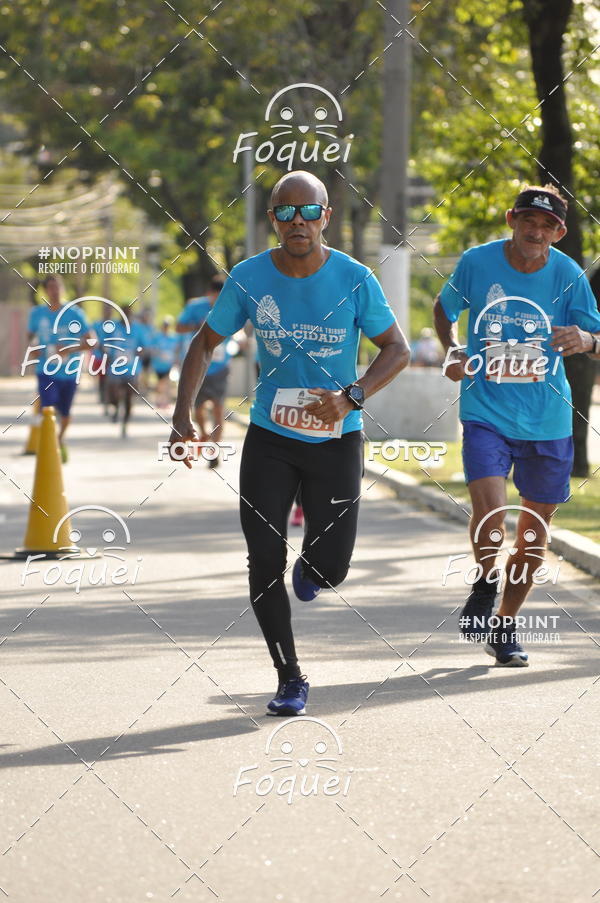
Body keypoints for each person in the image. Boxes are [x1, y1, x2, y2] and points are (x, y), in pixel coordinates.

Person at [168, 170, 409, 716]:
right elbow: (204, 344)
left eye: (307, 212)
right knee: (262, 561)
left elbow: (396, 349)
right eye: (284, 212)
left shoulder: (353, 277)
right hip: (271, 438)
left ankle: (315, 570)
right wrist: (183, 415)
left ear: (325, 216)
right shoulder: (249, 277)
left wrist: (353, 395)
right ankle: (289, 676)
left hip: (336, 439)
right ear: (271, 220)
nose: (296, 222)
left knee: (332, 568)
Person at [433, 183, 600, 667]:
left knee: (533, 534)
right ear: (512, 219)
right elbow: (444, 309)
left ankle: (504, 624)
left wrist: (586, 340)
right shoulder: (477, 262)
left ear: (560, 232)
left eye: (548, 225)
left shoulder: (569, 275)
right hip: (486, 410)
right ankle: (485, 584)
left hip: (548, 420)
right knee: (490, 511)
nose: (537, 230)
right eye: (529, 220)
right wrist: (453, 349)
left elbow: (597, 335)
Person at [26, 275, 91, 462]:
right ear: (45, 291)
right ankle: (49, 445)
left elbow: (91, 341)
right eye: (51, 287)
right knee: (48, 407)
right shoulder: (37, 313)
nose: (54, 291)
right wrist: (33, 348)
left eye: (57, 287)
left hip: (69, 371)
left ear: (62, 289)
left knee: (65, 412)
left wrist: (70, 349)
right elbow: (30, 336)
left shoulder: (74, 313)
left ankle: (60, 439)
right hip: (45, 370)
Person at [176, 275, 230, 466]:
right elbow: (178, 327)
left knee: (218, 409)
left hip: (221, 367)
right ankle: (204, 434)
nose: (218, 301)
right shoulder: (194, 307)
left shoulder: (231, 304)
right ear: (209, 294)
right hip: (199, 366)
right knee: (198, 410)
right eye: (215, 297)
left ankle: (214, 451)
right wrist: (198, 326)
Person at [151, 315, 179, 407]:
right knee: (159, 384)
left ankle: (166, 402)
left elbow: (176, 350)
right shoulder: (157, 337)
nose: (166, 327)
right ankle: (158, 400)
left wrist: (175, 360)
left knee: (167, 383)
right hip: (158, 365)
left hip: (168, 364)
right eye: (165, 325)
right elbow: (152, 349)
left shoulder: (174, 338)